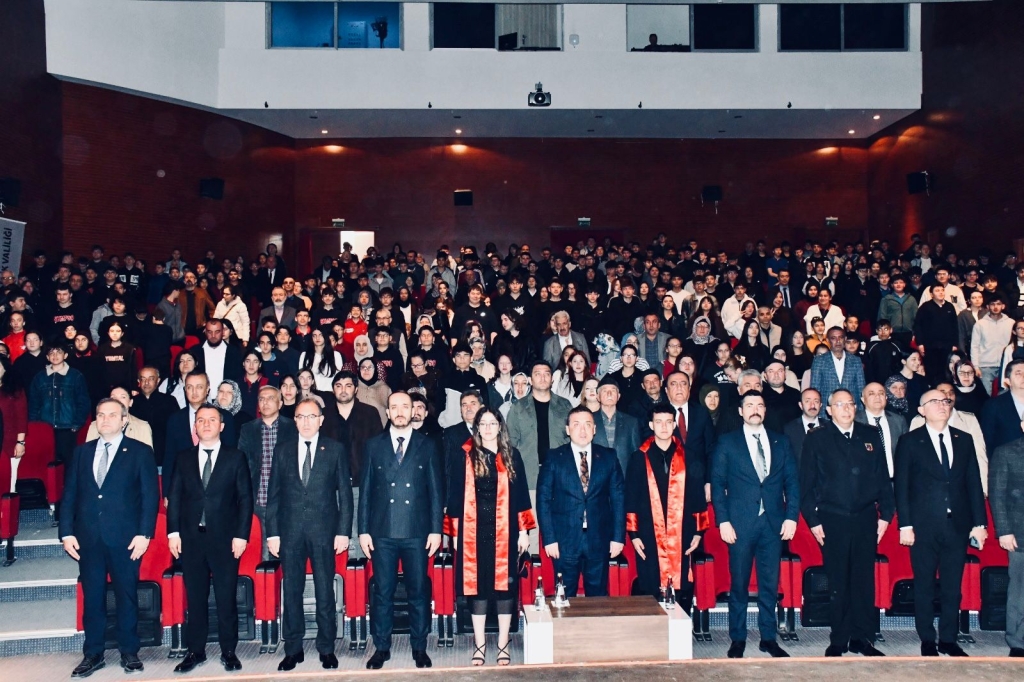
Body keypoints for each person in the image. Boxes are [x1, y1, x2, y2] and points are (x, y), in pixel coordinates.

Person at [59, 398, 158, 678]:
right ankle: (93, 653)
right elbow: (70, 495)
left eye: (112, 415)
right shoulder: (82, 452)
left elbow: (150, 496)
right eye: (100, 415)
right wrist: (66, 532)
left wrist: (145, 533)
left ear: (124, 420)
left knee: (126, 596)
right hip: (88, 538)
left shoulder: (140, 452)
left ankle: (129, 651)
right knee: (92, 598)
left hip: (126, 539)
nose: (105, 420)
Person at [801, 388, 894, 656]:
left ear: (856, 407)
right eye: (839, 405)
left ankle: (862, 638)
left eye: (850, 404)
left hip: (866, 518)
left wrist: (886, 515)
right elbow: (806, 484)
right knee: (838, 581)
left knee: (864, 580)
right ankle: (839, 639)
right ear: (829, 410)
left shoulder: (870, 434)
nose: (846, 409)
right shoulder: (817, 438)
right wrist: (813, 520)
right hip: (832, 519)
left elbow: (882, 477)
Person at [894, 389, 988, 657]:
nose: (942, 405)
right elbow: (902, 486)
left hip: (957, 525)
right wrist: (905, 525)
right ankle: (927, 638)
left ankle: (948, 638)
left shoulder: (964, 439)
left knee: (952, 587)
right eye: (934, 401)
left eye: (945, 401)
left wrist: (980, 523)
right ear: (921, 410)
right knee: (924, 585)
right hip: (922, 526)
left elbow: (973, 483)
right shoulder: (910, 441)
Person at [711, 391, 799, 659]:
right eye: (749, 405)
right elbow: (717, 484)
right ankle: (737, 638)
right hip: (739, 524)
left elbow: (792, 482)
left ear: (765, 410)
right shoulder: (727, 442)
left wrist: (791, 517)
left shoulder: (781, 441)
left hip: (773, 524)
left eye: (759, 405)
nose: (755, 409)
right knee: (738, 584)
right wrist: (723, 521)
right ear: (741, 411)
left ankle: (768, 638)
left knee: (769, 585)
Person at [266, 399, 353, 671]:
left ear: (321, 420)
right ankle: (293, 649)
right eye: (301, 416)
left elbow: (345, 495)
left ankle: (326, 648)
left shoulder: (335, 449)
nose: (306, 422)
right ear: (294, 420)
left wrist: (343, 532)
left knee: (325, 590)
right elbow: (273, 495)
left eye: (311, 416)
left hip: (324, 532)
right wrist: (272, 534)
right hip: (290, 531)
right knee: (291, 590)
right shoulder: (282, 450)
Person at [359, 392, 443, 670]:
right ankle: (381, 647)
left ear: (413, 411)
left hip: (417, 531)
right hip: (382, 531)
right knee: (383, 593)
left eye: (404, 406)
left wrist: (436, 530)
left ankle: (419, 646)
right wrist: (363, 530)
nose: (399, 411)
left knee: (418, 592)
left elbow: (436, 491)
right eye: (394, 407)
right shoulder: (373, 445)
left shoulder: (427, 445)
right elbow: (366, 491)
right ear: (388, 412)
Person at [445, 407, 535, 667]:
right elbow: (454, 495)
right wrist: (454, 534)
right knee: (478, 589)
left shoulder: (511, 455)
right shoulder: (464, 455)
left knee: (505, 588)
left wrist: (524, 532)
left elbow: (521, 496)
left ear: (500, 426)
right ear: (476, 428)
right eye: (482, 423)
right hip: (473, 532)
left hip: (505, 531)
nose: (487, 428)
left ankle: (503, 642)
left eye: (492, 423)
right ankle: (480, 644)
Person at [167, 404, 253, 673]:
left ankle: (229, 651)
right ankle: (196, 651)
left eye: (212, 420)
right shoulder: (183, 458)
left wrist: (241, 535)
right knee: (195, 598)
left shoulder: (235, 457)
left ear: (222, 426)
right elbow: (174, 498)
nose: (206, 424)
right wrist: (173, 533)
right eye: (201, 420)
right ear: (195, 426)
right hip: (191, 540)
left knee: (226, 597)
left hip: (225, 540)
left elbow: (245, 499)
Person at [625, 403, 709, 610]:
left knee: (682, 585)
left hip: (683, 531)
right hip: (648, 533)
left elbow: (698, 496)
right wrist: (634, 535)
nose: (664, 427)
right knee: (650, 582)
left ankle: (680, 625)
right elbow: (631, 497)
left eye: (668, 422)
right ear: (651, 425)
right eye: (659, 422)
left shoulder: (689, 456)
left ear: (674, 425)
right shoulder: (638, 457)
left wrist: (698, 532)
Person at [536, 405, 625, 597]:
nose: (582, 430)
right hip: (564, 541)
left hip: (599, 539)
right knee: (564, 596)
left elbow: (618, 499)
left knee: (598, 595)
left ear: (595, 429)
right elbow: (543, 500)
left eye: (587, 424)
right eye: (576, 424)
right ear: (568, 430)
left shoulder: (609, 457)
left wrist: (618, 537)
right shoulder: (554, 457)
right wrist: (549, 539)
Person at [238, 385, 297, 560]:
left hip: (286, 500)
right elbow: (242, 465)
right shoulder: (248, 429)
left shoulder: (293, 427)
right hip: (259, 499)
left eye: (270, 398)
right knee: (263, 556)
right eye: (261, 399)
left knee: (288, 555)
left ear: (280, 403)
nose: (265, 402)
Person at [163, 373, 237, 501]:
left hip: (218, 491)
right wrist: (167, 493)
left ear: (207, 389)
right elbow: (169, 458)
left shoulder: (225, 417)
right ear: (185, 389)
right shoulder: (175, 419)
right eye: (190, 387)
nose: (194, 392)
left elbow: (231, 456)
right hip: (184, 491)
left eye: (199, 387)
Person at [987, 421, 1024, 657]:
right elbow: (997, 494)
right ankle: (1017, 642)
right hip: (1020, 533)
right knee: (1020, 591)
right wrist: (1004, 530)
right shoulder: (1006, 452)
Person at [506, 360, 572, 491]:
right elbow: (510, 442)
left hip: (560, 474)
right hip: (528, 474)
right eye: (537, 374)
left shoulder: (565, 406)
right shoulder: (518, 407)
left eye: (546, 374)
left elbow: (572, 439)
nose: (542, 378)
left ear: (552, 379)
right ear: (530, 380)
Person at [28, 343, 91, 474]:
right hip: (46, 428)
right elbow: (33, 404)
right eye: (51, 353)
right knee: (48, 466)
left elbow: (83, 402)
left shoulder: (75, 376)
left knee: (69, 467)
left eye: (59, 352)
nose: (55, 356)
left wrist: (76, 424)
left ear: (65, 355)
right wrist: (35, 426)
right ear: (47, 357)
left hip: (67, 428)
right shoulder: (40, 377)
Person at [854, 382, 909, 480]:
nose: (877, 396)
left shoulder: (898, 421)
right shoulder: (854, 421)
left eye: (881, 393)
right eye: (871, 394)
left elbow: (906, 453)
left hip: (894, 481)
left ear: (886, 398)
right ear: (863, 399)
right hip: (866, 481)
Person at [592, 376, 640, 476]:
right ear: (598, 397)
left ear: (618, 396)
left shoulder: (631, 422)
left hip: (623, 477)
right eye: (605, 391)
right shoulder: (589, 420)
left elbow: (636, 456)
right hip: (596, 478)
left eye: (613, 391)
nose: (609, 394)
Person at [810, 327, 867, 410]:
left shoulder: (856, 360)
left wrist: (861, 411)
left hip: (851, 409)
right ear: (828, 340)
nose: (838, 341)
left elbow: (861, 388)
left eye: (841, 337)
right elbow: (815, 389)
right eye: (833, 338)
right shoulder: (819, 361)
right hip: (827, 410)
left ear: (845, 339)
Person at [85, 386, 153, 447]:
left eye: (123, 397)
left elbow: (146, 455)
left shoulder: (142, 427)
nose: (117, 400)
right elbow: (88, 453)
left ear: (130, 402)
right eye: (113, 397)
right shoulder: (96, 425)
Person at [981, 359, 1024, 452]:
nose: (1023, 376)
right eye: (1018, 373)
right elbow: (987, 441)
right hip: (1007, 459)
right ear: (1008, 381)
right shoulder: (993, 406)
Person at [197, 319, 243, 400]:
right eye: (210, 332)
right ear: (205, 332)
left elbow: (238, 378)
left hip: (226, 400)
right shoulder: (195, 352)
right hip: (201, 400)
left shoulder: (234, 352)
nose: (213, 335)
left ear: (222, 332)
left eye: (217, 332)